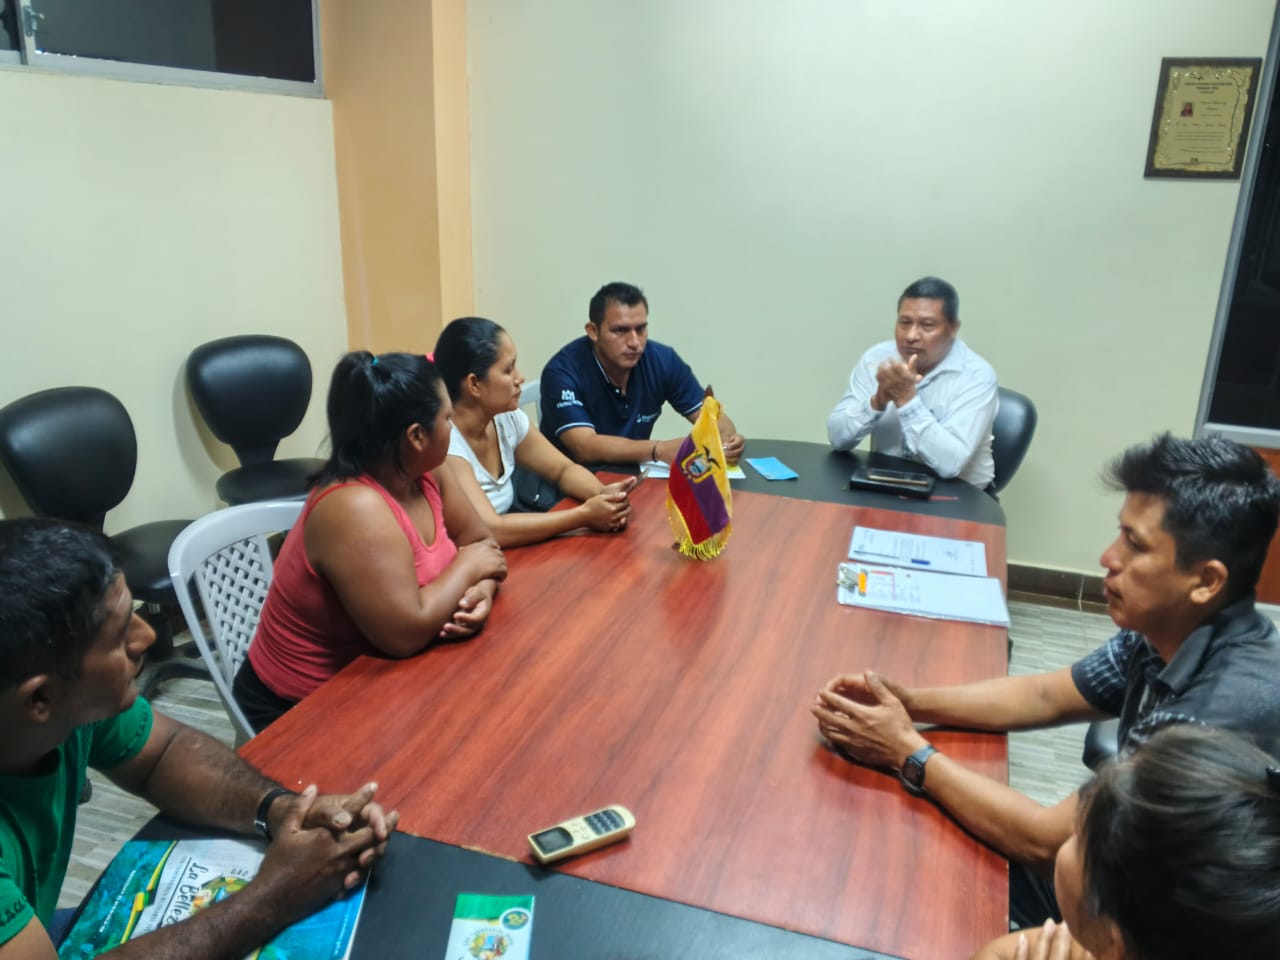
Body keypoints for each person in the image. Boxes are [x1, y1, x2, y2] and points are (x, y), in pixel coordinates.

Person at [811, 433, 1280, 924]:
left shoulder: (1212, 718)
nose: (1108, 557)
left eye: (1135, 545)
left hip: (1153, 923)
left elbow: (1049, 843)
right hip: (1120, 871)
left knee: (916, 870)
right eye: (1120, 534)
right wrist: (910, 702)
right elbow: (1044, 695)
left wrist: (906, 752)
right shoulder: (1169, 631)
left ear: (1206, 581)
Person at [0, 517, 398, 957]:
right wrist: (277, 893)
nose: (148, 635)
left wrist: (280, 809)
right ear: (40, 698)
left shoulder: (64, 708)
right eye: (119, 634)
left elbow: (162, 755)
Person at [233, 352, 508, 732]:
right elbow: (404, 634)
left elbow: (483, 544)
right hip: (300, 710)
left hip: (389, 677)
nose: (453, 427)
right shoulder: (353, 507)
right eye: (447, 418)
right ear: (416, 435)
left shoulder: (429, 471)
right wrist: (468, 567)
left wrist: (481, 594)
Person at [971, 725, 1280, 960]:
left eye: (1078, 836)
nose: (1070, 827)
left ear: (1112, 942)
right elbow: (999, 952)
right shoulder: (1146, 938)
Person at [433, 317, 637, 547]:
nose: (519, 377)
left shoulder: (505, 417)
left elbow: (562, 469)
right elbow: (490, 529)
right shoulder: (446, 444)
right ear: (474, 385)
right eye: (508, 370)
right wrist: (584, 516)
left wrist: (602, 494)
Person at [539, 281, 745, 465]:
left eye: (640, 329)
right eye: (620, 331)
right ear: (593, 331)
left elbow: (713, 419)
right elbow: (584, 447)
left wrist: (727, 440)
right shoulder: (562, 372)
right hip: (570, 480)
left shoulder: (663, 360)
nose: (634, 342)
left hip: (632, 474)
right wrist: (659, 450)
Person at [826, 276, 998, 489]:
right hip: (887, 484)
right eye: (904, 323)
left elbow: (950, 464)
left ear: (953, 329)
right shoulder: (876, 360)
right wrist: (877, 401)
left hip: (960, 494)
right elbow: (837, 439)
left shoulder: (977, 375)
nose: (911, 336)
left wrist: (906, 400)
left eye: (927, 325)